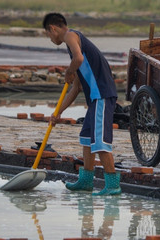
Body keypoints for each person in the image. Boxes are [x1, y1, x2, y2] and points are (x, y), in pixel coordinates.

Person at [43, 12, 122, 194]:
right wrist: (58, 113)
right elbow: (76, 87)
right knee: (87, 138)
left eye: (48, 34)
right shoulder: (72, 47)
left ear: (53, 29)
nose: (50, 38)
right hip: (94, 99)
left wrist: (69, 71)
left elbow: (77, 60)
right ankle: (86, 181)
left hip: (102, 94)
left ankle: (112, 185)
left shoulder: (71, 36)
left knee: (99, 142)